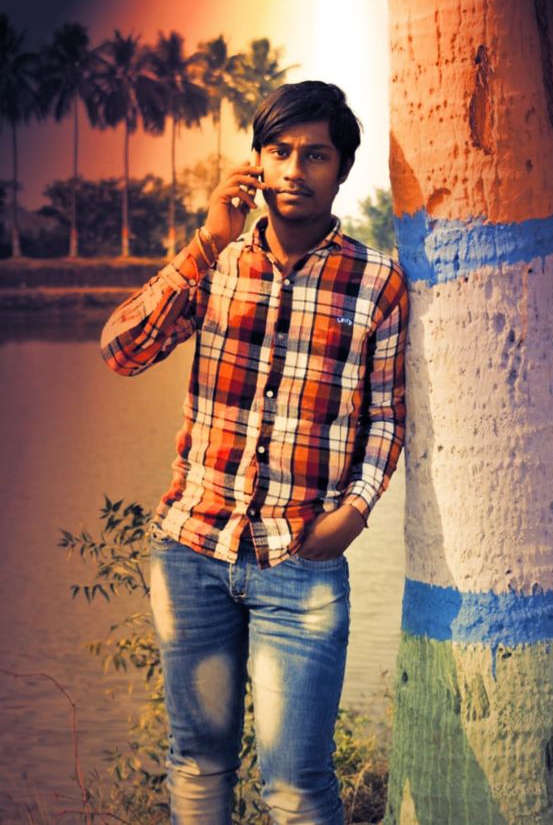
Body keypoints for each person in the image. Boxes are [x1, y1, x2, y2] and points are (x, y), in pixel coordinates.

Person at [100, 80, 408, 825]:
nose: (295, 170)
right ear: (257, 164)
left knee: (296, 785)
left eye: (316, 155)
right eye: (279, 152)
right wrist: (205, 241)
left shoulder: (378, 283)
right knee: (197, 762)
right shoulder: (216, 262)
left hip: (300, 561)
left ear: (342, 169)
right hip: (192, 551)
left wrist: (353, 515)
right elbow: (122, 350)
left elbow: (387, 419)